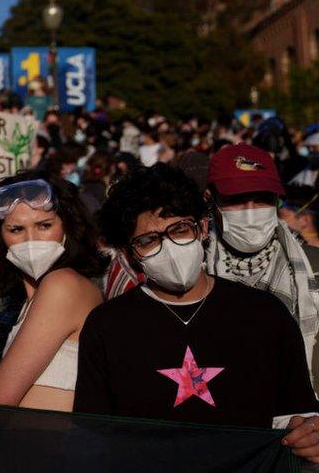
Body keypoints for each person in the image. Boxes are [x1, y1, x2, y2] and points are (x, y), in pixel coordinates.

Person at [77, 164, 319, 463]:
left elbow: (298, 416)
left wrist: (309, 436)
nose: (170, 248)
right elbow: (93, 437)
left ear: (203, 228)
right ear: (128, 254)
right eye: (148, 240)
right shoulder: (107, 326)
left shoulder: (266, 314)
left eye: (180, 229)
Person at [0, 173, 108, 412]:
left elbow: (1, 395)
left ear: (68, 226)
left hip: (54, 444)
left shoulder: (62, 284)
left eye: (44, 225)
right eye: (16, 229)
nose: (31, 240)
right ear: (1, 236)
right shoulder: (32, 298)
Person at [203, 144, 319, 388]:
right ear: (210, 200)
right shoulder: (193, 272)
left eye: (263, 199)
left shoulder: (313, 265)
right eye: (236, 199)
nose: (250, 212)